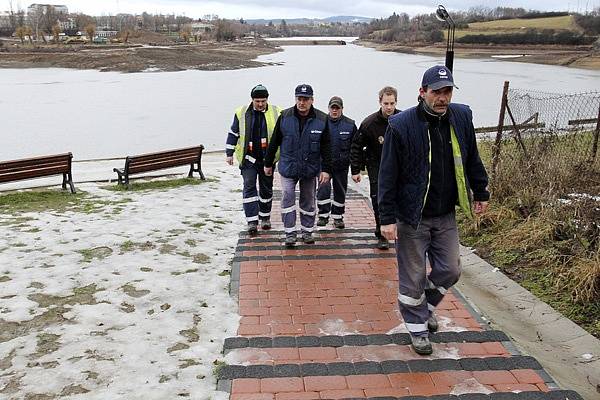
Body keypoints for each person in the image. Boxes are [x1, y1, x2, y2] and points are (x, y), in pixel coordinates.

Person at [378, 65, 490, 355]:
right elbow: (387, 175)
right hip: (411, 217)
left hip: (445, 213)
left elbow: (472, 158)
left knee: (451, 269)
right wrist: (386, 218)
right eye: (436, 92)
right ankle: (417, 329)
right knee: (412, 277)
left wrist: (481, 191)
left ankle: (425, 306)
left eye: (447, 91)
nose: (442, 98)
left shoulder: (461, 117)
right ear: (422, 92)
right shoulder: (401, 125)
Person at [264, 84, 332, 247]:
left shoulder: (322, 119)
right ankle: (290, 233)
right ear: (296, 99)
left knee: (308, 200)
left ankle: (307, 231)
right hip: (288, 167)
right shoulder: (285, 116)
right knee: (287, 196)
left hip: (310, 168)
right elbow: (274, 142)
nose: (302, 102)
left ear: (312, 100)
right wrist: (268, 163)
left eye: (305, 99)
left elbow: (327, 146)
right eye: (299, 99)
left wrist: (326, 170)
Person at [226, 84, 281, 235]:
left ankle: (265, 218)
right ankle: (251, 221)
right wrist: (229, 152)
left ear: (267, 99)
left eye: (263, 101)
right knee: (249, 187)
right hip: (248, 159)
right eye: (257, 101)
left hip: (267, 160)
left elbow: (283, 135)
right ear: (252, 100)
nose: (260, 104)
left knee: (266, 189)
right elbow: (233, 133)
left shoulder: (277, 112)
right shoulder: (241, 113)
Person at [350, 86, 400, 249]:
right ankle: (381, 232)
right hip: (376, 165)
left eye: (392, 103)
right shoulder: (369, 123)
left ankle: (401, 229)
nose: (389, 107)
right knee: (378, 198)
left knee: (400, 198)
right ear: (380, 102)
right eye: (386, 103)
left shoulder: (403, 119)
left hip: (399, 166)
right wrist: (355, 170)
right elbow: (356, 146)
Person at [316, 96, 358, 229]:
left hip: (341, 166)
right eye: (332, 108)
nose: (334, 110)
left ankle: (338, 217)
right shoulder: (321, 122)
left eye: (337, 108)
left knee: (340, 191)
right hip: (324, 166)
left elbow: (355, 147)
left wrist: (355, 166)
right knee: (323, 190)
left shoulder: (350, 125)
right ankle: (323, 215)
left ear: (342, 109)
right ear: (328, 108)